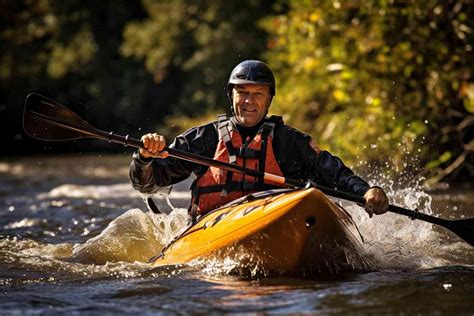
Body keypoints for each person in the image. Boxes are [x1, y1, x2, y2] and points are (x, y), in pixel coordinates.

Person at [130, 60, 389, 220]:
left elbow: (332, 171)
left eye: (257, 93)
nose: (249, 101)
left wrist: (365, 190)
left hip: (275, 218)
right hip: (215, 225)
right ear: (231, 96)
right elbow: (149, 184)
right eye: (242, 93)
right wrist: (144, 158)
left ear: (269, 99)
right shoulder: (204, 138)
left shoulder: (288, 142)